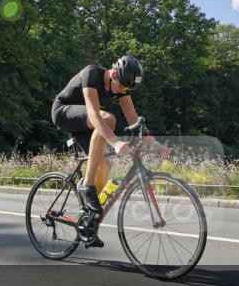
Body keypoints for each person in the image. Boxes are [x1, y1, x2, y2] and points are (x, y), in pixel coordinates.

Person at [51, 56, 167, 248]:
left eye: (127, 90)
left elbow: (133, 120)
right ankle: (86, 185)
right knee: (108, 118)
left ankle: (89, 221)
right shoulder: (92, 74)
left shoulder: (122, 85)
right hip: (63, 112)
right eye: (122, 87)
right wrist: (114, 142)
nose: (123, 91)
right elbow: (95, 115)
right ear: (114, 74)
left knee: (104, 164)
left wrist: (154, 144)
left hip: (86, 122)